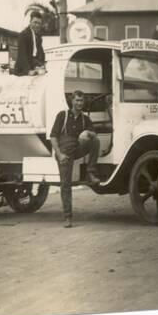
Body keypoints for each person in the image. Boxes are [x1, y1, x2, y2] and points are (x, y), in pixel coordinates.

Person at [50, 91, 101, 228]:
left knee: (95, 141)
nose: (79, 103)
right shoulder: (63, 115)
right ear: (72, 101)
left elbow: (94, 134)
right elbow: (53, 137)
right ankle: (68, 217)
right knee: (65, 184)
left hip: (77, 149)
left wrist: (87, 133)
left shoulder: (85, 119)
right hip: (64, 152)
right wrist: (59, 154)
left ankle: (91, 172)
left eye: (81, 101)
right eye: (77, 100)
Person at [14, 11, 45, 76]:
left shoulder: (38, 37)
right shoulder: (23, 35)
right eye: (35, 22)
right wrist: (28, 71)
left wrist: (41, 65)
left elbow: (41, 53)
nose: (37, 25)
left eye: (39, 23)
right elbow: (22, 55)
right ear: (30, 22)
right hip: (22, 69)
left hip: (34, 67)